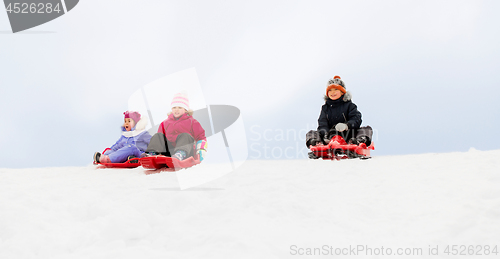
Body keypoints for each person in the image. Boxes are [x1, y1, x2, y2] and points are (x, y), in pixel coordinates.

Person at [306, 75, 372, 148]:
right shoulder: (325, 108)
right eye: (330, 90)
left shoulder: (350, 106)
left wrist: (346, 125)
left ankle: (359, 142)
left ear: (342, 92)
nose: (332, 92)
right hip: (329, 137)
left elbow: (356, 119)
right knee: (312, 133)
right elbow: (322, 123)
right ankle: (316, 144)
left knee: (366, 129)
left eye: (336, 90)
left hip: (348, 136)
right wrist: (325, 134)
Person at [142, 92, 207, 161]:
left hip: (187, 152)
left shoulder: (192, 122)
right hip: (169, 152)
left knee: (185, 136)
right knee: (158, 135)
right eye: (174, 107)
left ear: (185, 109)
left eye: (180, 107)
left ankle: (180, 154)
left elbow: (201, 137)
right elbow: (160, 140)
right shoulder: (165, 123)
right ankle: (152, 154)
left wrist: (201, 151)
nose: (176, 109)